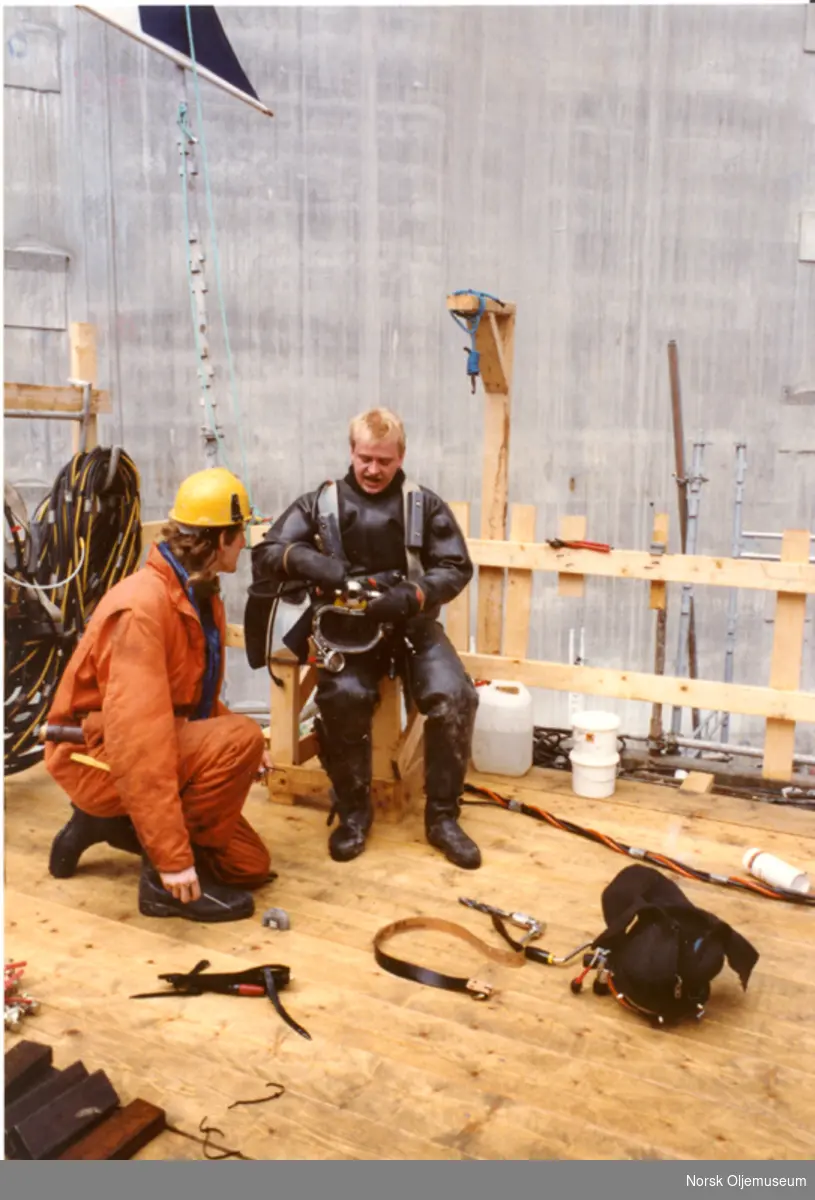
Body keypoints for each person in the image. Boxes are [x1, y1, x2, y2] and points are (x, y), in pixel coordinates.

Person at [250, 408, 481, 869]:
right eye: (365, 459)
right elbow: (267, 553)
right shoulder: (321, 503)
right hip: (348, 626)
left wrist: (413, 595)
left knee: (455, 697)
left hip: (412, 623)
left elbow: (456, 567)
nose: (373, 470)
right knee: (343, 696)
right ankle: (354, 814)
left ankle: (442, 819)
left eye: (384, 460)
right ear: (350, 452)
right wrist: (310, 562)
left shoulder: (425, 506)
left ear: (401, 457)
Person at [44, 466, 273, 923]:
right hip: (97, 755)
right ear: (219, 539)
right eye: (240, 533)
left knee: (249, 866)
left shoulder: (197, 590)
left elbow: (187, 691)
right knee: (243, 737)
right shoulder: (142, 609)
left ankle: (105, 823)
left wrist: (222, 735)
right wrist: (173, 860)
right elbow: (139, 741)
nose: (245, 544)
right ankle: (160, 887)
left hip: (140, 743)